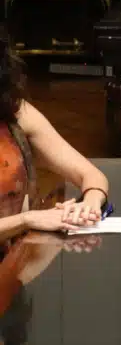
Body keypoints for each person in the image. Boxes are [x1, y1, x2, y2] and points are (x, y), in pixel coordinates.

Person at [0, 37, 109, 236]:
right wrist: (25, 220)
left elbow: (90, 174)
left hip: (19, 251)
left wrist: (90, 203)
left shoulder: (16, 113)